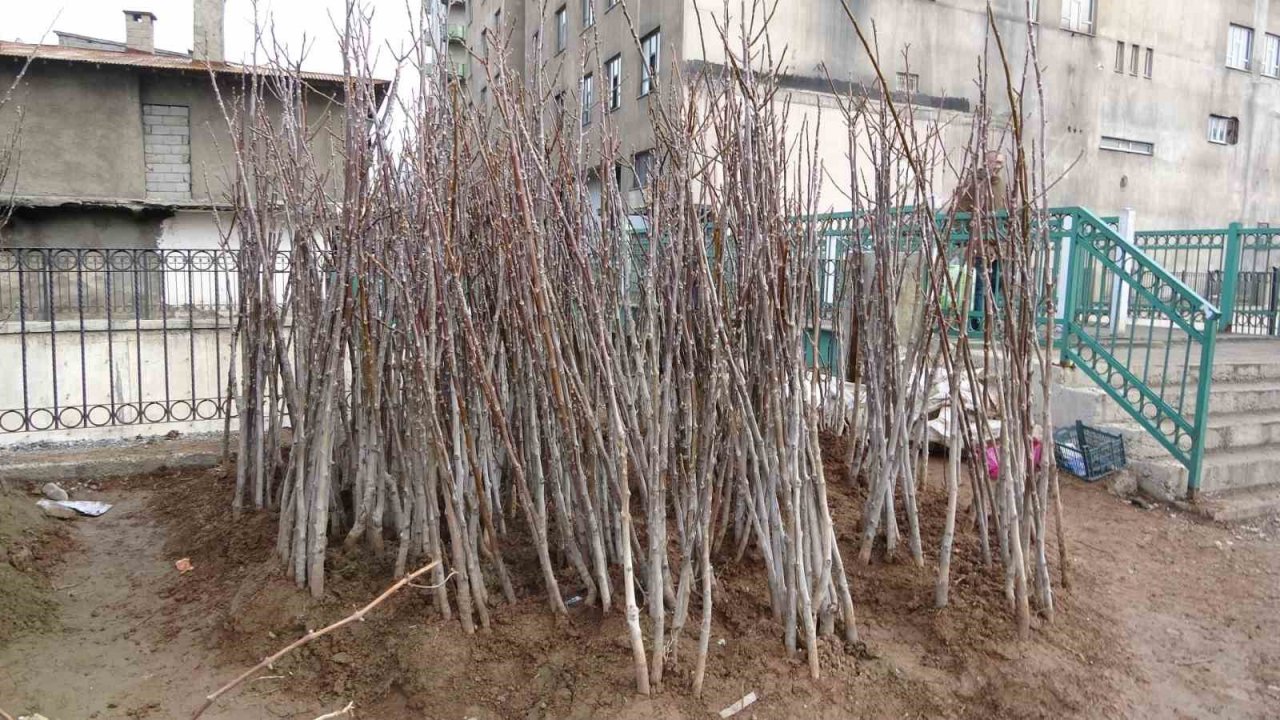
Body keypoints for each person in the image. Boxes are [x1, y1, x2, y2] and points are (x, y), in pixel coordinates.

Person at [952, 151, 1008, 332]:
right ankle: (977, 324)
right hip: (979, 243)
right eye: (996, 162)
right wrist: (968, 240)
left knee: (996, 283)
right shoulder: (974, 184)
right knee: (980, 285)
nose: (999, 166)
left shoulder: (1000, 185)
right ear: (987, 162)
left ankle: (989, 322)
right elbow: (961, 211)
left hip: (997, 245)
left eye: (1001, 163)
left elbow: (1006, 213)